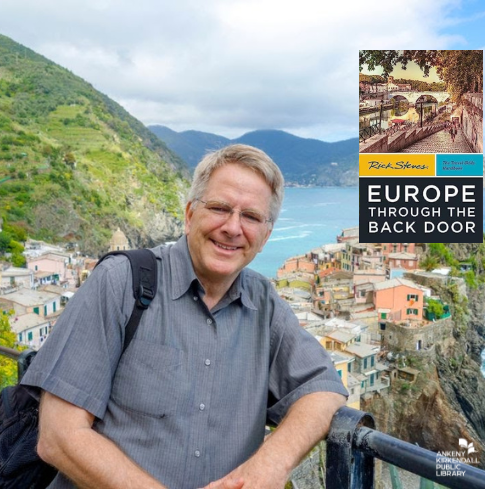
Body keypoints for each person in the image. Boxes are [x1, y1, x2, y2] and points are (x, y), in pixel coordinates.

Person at [22, 144, 348, 489]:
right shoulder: (121, 282)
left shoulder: (264, 304)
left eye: (251, 217)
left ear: (265, 237)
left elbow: (324, 388)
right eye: (220, 208)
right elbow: (59, 436)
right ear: (190, 214)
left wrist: (270, 464)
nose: (233, 228)